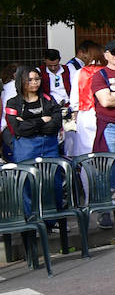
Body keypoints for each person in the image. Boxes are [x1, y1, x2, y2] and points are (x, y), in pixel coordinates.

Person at [4, 66, 66, 217]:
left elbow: (56, 124)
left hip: (49, 147)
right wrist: (42, 120)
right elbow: (18, 129)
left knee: (52, 182)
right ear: (21, 81)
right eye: (29, 80)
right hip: (26, 148)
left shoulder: (49, 100)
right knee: (27, 184)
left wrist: (29, 123)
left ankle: (52, 220)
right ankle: (31, 220)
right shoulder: (13, 103)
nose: (34, 83)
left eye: (37, 79)